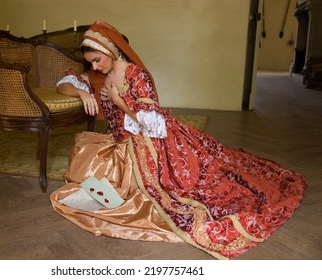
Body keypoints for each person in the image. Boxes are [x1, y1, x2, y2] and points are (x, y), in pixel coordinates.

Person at [50, 21, 306, 259]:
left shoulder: (137, 75)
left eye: (97, 60)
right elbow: (63, 85)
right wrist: (84, 91)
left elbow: (153, 123)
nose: (94, 67)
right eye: (91, 63)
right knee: (85, 160)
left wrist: (119, 103)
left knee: (180, 186)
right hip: (120, 143)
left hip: (149, 141)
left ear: (112, 50)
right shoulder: (102, 76)